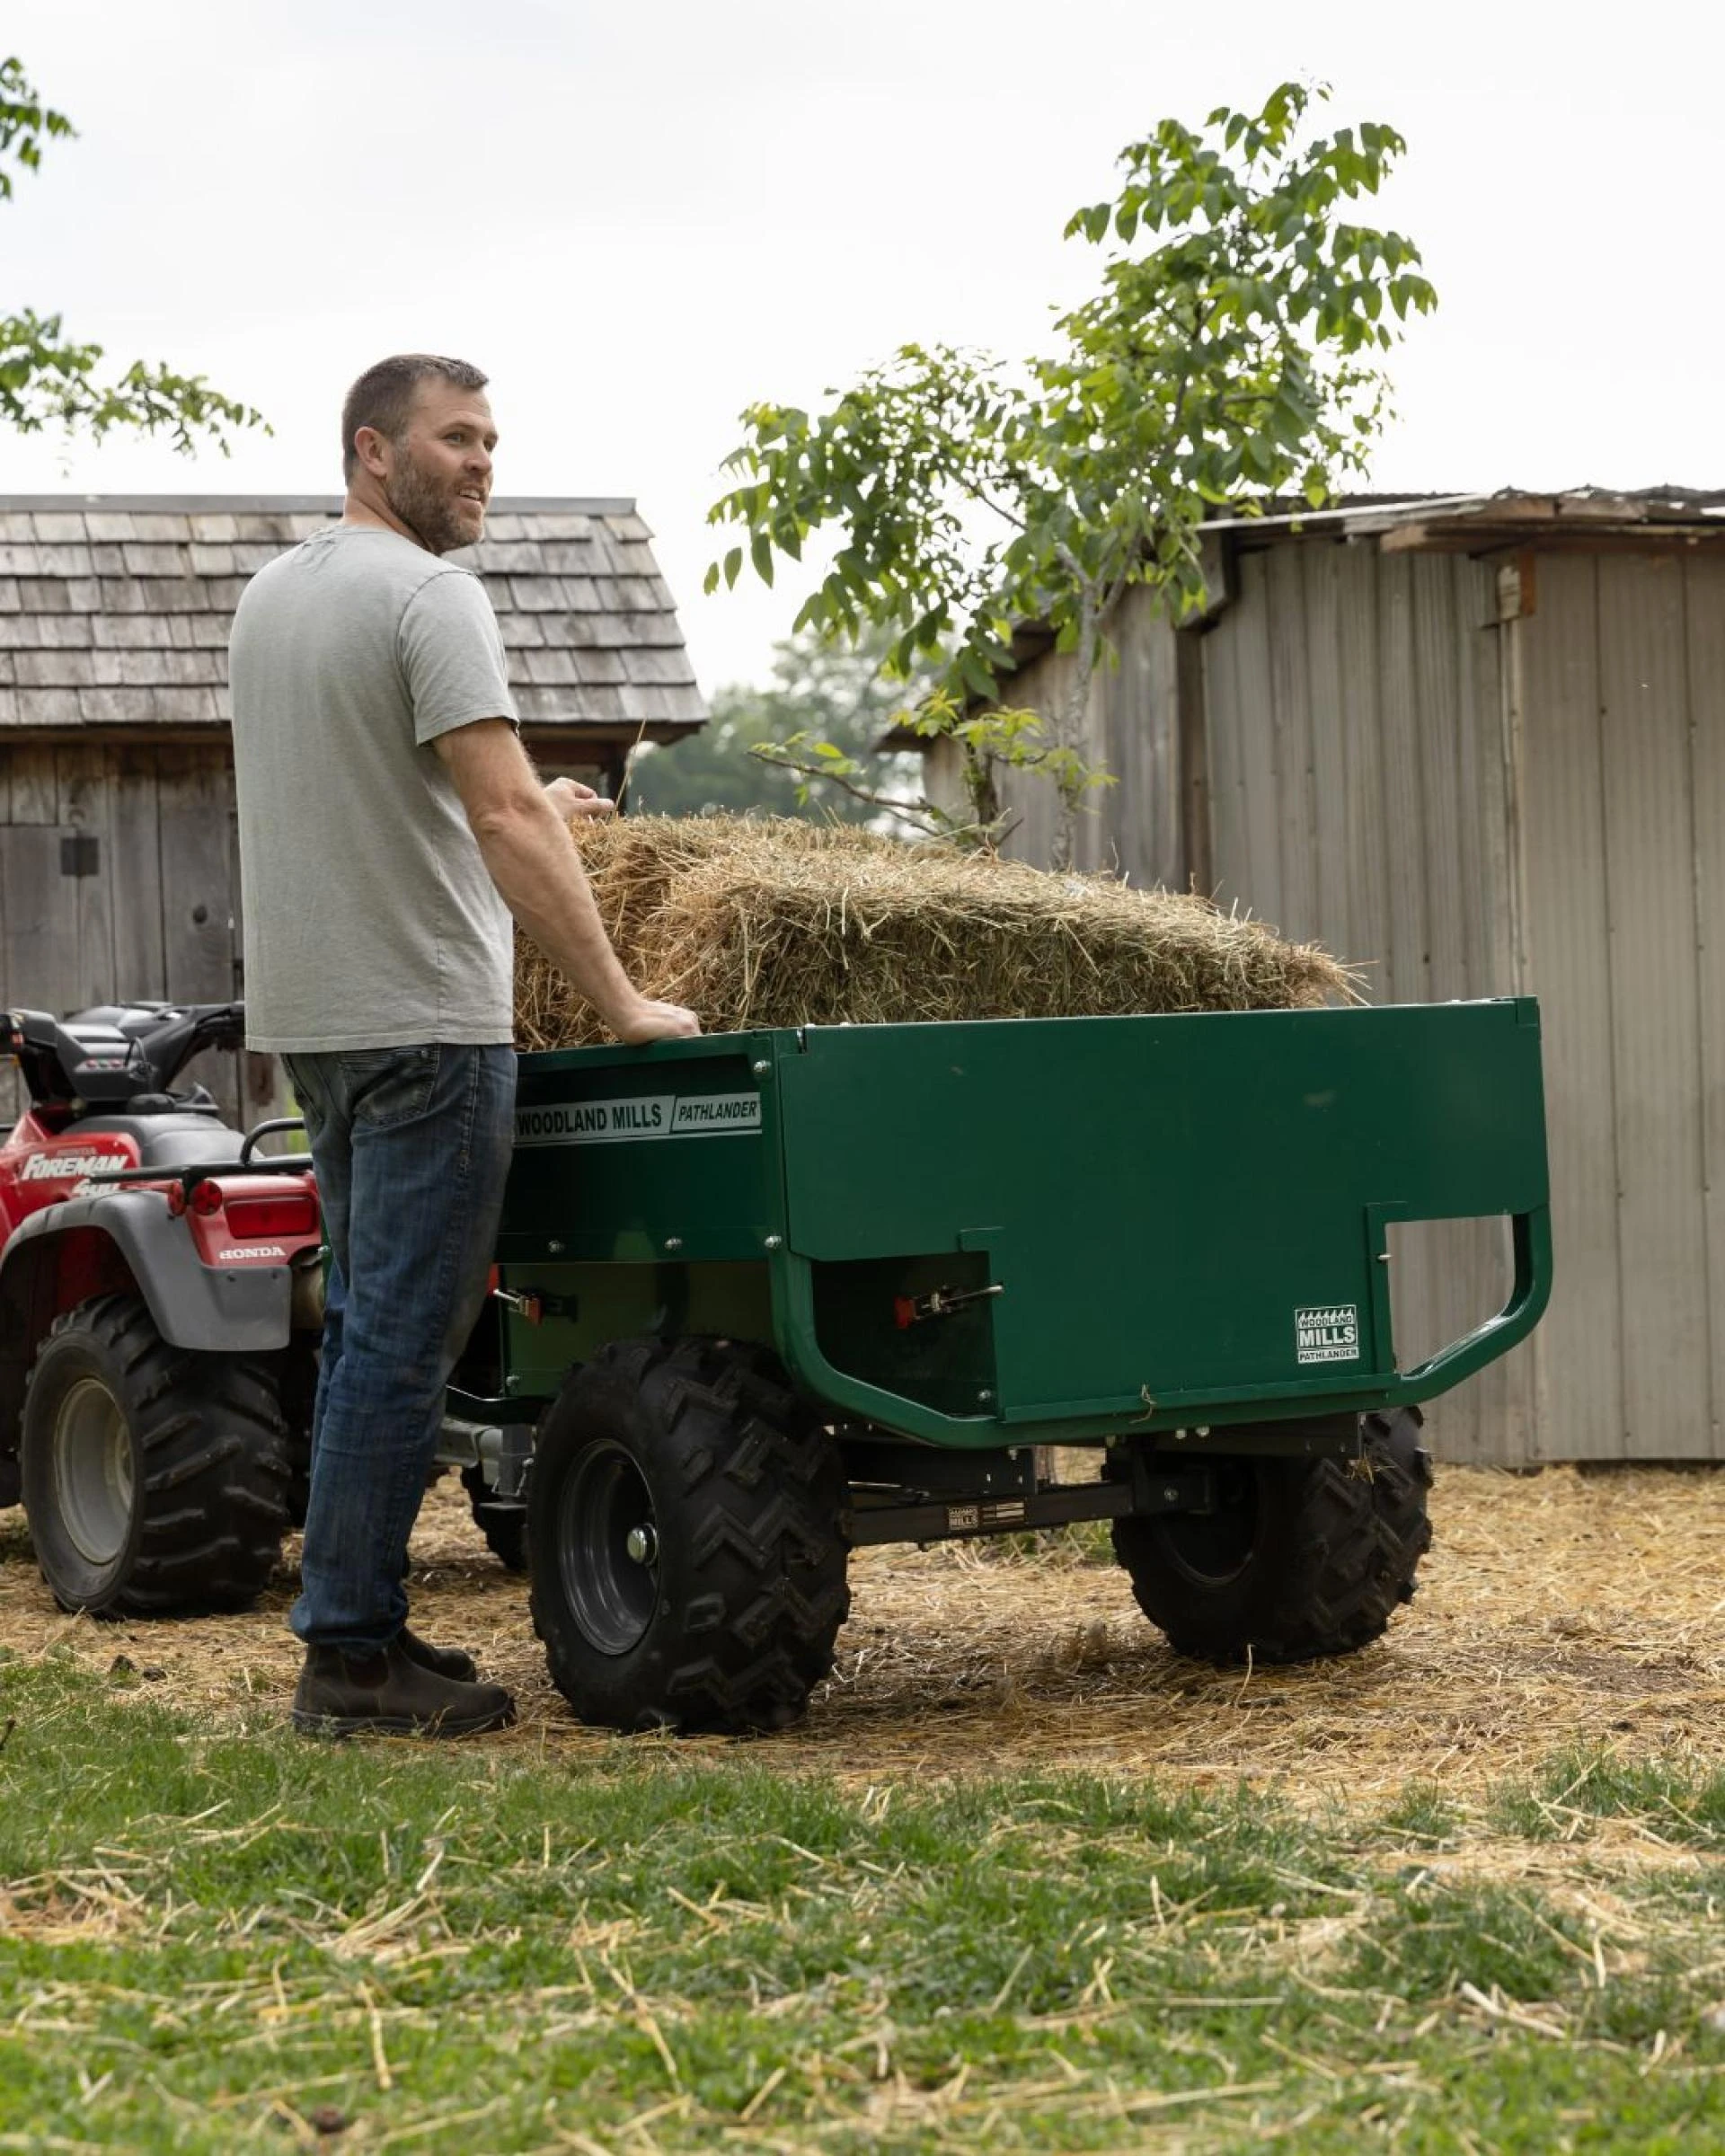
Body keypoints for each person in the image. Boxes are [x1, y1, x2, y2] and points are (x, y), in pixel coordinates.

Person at [228, 353, 700, 1737]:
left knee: (369, 1326)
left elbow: (395, 788)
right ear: (374, 451)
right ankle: (350, 1660)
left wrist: (523, 796)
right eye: (454, 439)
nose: (482, 462)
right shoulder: (433, 593)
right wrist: (618, 1002)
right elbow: (500, 822)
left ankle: (356, 1629)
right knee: (400, 1337)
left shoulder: (276, 596)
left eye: (492, 439)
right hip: (427, 1020)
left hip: (317, 1024)